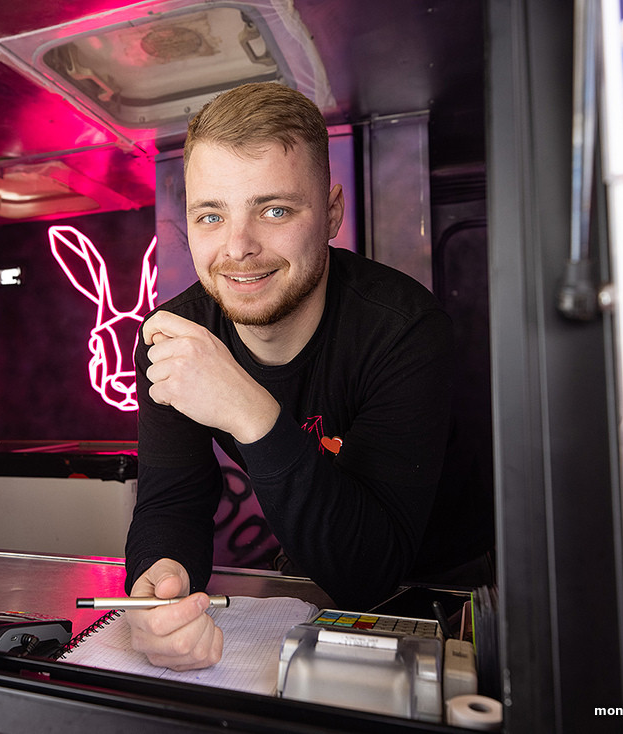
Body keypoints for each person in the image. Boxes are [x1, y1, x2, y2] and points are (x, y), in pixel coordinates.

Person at [123, 82, 483, 672]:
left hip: (448, 581)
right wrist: (159, 585)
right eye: (211, 216)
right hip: (318, 558)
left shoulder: (403, 330)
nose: (238, 247)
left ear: (332, 214)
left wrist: (249, 411)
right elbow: (172, 500)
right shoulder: (177, 338)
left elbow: (372, 570)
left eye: (275, 210)